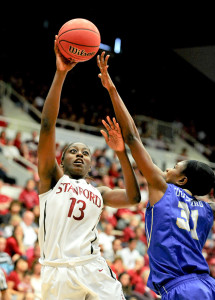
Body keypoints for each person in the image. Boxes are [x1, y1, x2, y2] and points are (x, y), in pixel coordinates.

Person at [97, 51, 215, 299]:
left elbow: (132, 137)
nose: (168, 169)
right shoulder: (209, 208)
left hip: (183, 288)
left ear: (182, 180)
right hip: (205, 285)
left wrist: (112, 89)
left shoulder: (163, 187)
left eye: (175, 167)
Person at [37, 36, 141, 300]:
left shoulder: (100, 192)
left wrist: (120, 154)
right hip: (57, 271)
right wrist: (60, 74)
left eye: (86, 153)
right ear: (61, 160)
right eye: (73, 151)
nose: (80, 155)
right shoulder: (52, 179)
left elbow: (133, 197)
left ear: (92, 164)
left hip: (92, 267)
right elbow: (48, 125)